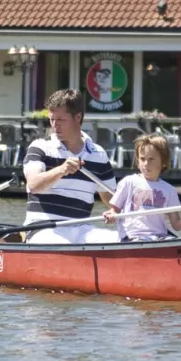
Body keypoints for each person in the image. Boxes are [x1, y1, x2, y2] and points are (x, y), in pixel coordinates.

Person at [22, 88, 117, 244]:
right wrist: (61, 170)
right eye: (52, 119)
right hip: (43, 228)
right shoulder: (39, 147)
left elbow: (112, 198)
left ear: (77, 117)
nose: (54, 125)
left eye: (61, 120)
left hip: (82, 229)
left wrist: (115, 210)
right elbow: (33, 185)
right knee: (62, 245)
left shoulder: (98, 154)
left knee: (119, 240)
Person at [102, 135, 181, 241]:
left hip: (159, 237)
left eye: (151, 159)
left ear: (163, 162)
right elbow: (114, 210)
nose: (146, 164)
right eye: (142, 159)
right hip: (133, 237)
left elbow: (176, 225)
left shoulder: (169, 190)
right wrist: (111, 215)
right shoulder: (128, 182)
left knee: (172, 240)